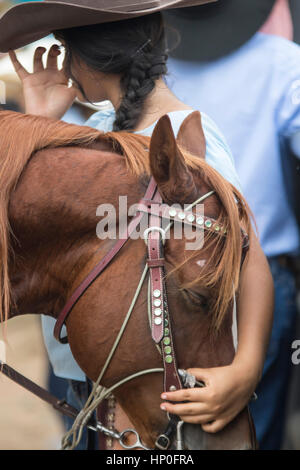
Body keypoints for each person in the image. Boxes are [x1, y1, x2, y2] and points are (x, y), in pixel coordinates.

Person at [1, 0, 274, 450]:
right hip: (94, 389)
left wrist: (245, 369)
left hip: (151, 399)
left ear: (85, 61)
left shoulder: (188, 138)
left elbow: (248, 256)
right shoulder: (103, 128)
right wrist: (40, 122)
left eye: (68, 53)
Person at [163, 0, 300, 449]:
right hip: (267, 273)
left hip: (162, 276)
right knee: (254, 427)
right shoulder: (282, 64)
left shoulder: (146, 70)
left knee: (167, 428)